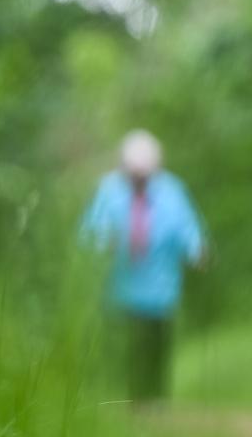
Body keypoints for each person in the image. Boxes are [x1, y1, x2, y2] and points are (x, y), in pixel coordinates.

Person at [80, 130, 206, 403]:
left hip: (160, 286)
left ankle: (155, 398)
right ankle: (124, 399)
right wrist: (103, 243)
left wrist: (196, 250)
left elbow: (188, 228)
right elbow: (91, 230)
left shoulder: (172, 192)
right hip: (119, 286)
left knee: (156, 342)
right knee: (123, 345)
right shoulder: (108, 191)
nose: (138, 180)